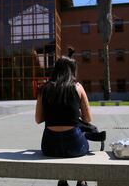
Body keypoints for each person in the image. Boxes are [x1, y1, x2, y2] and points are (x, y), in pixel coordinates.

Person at [35, 56, 92, 186]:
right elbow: (88, 119)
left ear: (56, 70)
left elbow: (38, 119)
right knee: (82, 139)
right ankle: (81, 180)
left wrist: (52, 113)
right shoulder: (78, 87)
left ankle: (62, 180)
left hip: (50, 146)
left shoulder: (44, 89)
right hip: (75, 145)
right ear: (72, 71)